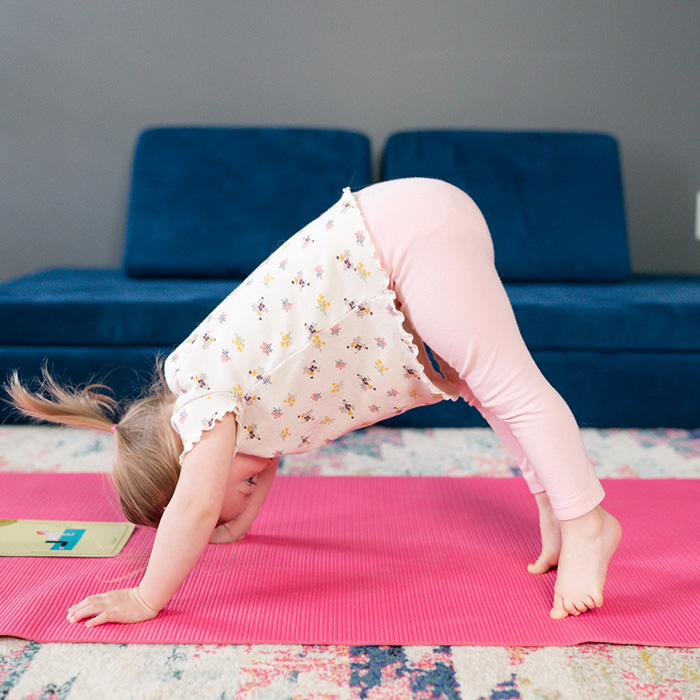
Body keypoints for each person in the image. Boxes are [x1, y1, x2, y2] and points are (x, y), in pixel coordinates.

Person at [6, 178, 621, 627]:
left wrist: (145, 596)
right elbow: (247, 474)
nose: (244, 495)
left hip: (405, 235)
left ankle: (588, 521)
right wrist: (241, 519)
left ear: (187, 462)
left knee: (511, 385)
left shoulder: (196, 406)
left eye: (229, 498)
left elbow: (193, 507)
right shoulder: (228, 409)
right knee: (492, 391)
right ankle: (554, 502)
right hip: (412, 222)